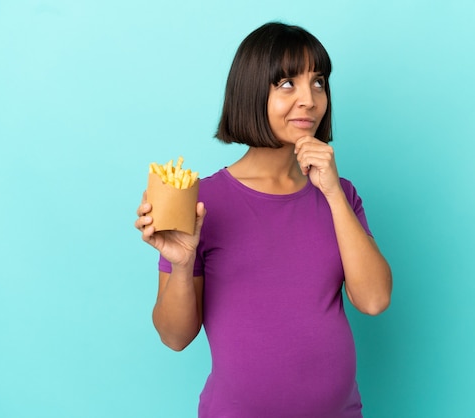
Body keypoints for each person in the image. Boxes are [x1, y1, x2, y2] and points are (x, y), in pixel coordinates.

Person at [135, 21, 392, 418]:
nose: (309, 99)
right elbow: (174, 336)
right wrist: (183, 264)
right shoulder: (201, 200)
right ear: (252, 91)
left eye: (318, 82)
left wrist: (333, 193)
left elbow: (373, 300)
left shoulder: (342, 194)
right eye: (287, 83)